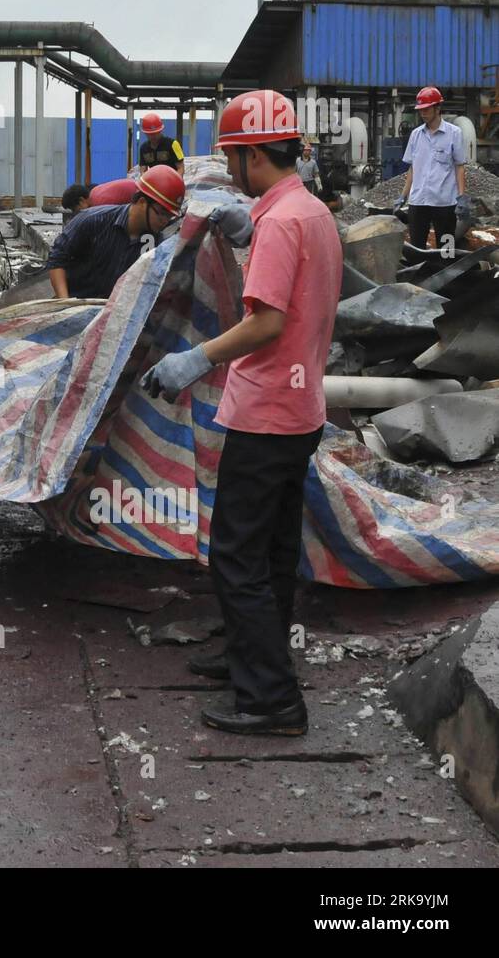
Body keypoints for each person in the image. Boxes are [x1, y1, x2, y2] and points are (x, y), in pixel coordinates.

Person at [141, 90, 342, 739]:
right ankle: (252, 661)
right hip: (300, 407)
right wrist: (250, 230)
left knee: (237, 555)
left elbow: (268, 322)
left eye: (232, 157)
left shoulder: (283, 222)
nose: (229, 170)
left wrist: (193, 359)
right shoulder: (308, 212)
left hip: (266, 413)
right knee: (274, 551)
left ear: (256, 154)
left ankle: (271, 700)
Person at [46, 164, 186, 299]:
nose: (165, 221)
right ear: (142, 202)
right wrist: (65, 302)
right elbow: (57, 257)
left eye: (170, 216)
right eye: (161, 213)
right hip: (76, 304)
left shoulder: (154, 241)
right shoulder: (94, 220)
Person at [399, 86, 469, 248]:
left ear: (438, 108)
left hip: (444, 202)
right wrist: (403, 196)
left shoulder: (454, 133)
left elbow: (459, 167)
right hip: (418, 202)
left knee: (446, 250)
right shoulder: (416, 135)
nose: (423, 113)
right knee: (416, 249)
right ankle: (420, 273)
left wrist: (461, 197)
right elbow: (412, 168)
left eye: (426, 109)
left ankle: (447, 271)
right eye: (420, 109)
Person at [137, 111, 185, 176]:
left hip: (172, 181)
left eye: (155, 133)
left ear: (160, 130)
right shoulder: (144, 148)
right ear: (145, 133)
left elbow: (180, 168)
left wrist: (175, 182)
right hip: (154, 183)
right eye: (150, 134)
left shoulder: (173, 144)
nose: (153, 136)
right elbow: (143, 171)